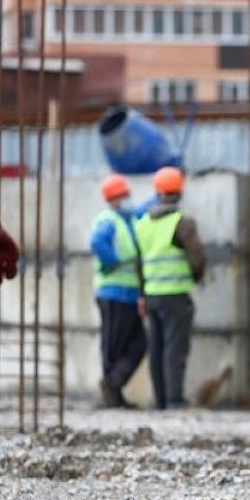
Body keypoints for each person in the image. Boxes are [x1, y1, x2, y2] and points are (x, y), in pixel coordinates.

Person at [133, 166, 205, 409]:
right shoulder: (182, 222)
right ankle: (174, 399)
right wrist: (196, 276)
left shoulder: (143, 224)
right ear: (180, 191)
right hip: (175, 294)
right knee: (175, 347)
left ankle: (161, 399)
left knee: (157, 347)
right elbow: (197, 256)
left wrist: (141, 294)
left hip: (152, 295)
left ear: (157, 192)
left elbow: (139, 262)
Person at [89, 174, 146, 408]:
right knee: (113, 346)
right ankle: (112, 392)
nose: (128, 199)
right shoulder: (109, 220)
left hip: (129, 294)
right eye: (124, 195)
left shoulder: (128, 220)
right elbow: (97, 242)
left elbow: (145, 208)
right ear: (114, 199)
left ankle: (113, 385)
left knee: (139, 344)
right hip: (113, 293)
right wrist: (112, 262)